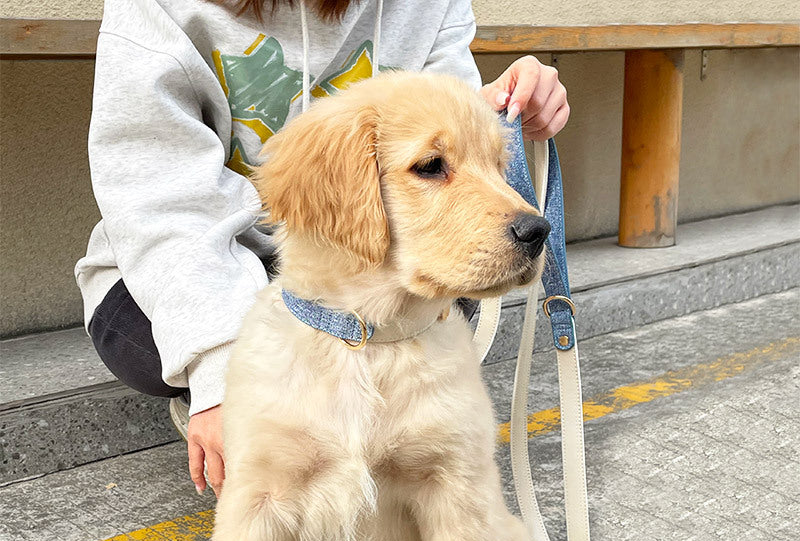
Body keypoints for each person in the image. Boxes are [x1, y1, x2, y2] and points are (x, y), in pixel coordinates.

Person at [76, 0, 569, 499]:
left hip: (358, 259)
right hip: (193, 256)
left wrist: (493, 111)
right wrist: (221, 374)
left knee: (449, 284)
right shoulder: (158, 7)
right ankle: (242, 412)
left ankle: (371, 447)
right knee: (157, 336)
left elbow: (449, 146)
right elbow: (162, 203)